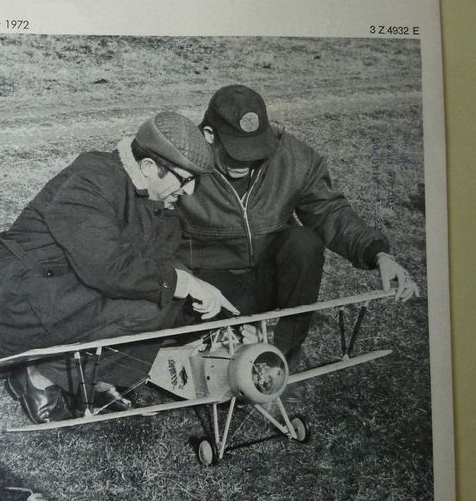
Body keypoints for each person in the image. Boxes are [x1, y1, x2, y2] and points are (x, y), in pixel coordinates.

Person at [0, 111, 238, 423]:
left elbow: (159, 265)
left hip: (64, 286)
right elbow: (107, 267)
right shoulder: (91, 179)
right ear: (149, 167)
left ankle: (96, 377)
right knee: (150, 302)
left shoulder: (159, 201)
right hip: (20, 295)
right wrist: (182, 283)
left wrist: (198, 288)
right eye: (184, 179)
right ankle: (39, 377)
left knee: (163, 293)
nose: (189, 192)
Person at [176, 84, 419, 367]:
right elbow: (153, 235)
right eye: (234, 152)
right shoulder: (180, 159)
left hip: (268, 281)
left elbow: (328, 210)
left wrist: (378, 254)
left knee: (304, 243)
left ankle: (282, 359)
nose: (245, 161)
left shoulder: (292, 157)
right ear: (208, 136)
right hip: (210, 287)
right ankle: (218, 340)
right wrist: (187, 282)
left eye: (255, 150)